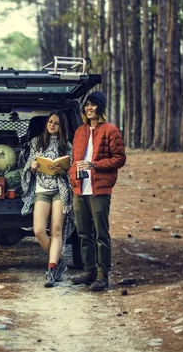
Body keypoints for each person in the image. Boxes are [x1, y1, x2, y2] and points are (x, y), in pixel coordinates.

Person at [69, 91, 126, 291]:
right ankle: (89, 271)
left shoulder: (111, 130)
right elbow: (74, 159)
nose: (89, 108)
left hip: (99, 189)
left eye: (93, 105)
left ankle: (103, 275)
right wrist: (72, 176)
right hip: (80, 189)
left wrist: (94, 165)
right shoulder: (79, 131)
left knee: (101, 234)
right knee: (83, 233)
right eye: (87, 105)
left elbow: (119, 158)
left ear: (100, 108)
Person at [21, 111, 74, 288]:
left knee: (56, 230)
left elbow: (71, 169)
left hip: (60, 189)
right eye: (50, 122)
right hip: (41, 189)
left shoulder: (66, 145)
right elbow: (27, 166)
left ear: (62, 127)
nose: (52, 125)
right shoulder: (36, 142)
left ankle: (51, 269)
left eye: (56, 123)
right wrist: (33, 167)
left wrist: (62, 170)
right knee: (38, 230)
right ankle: (59, 262)